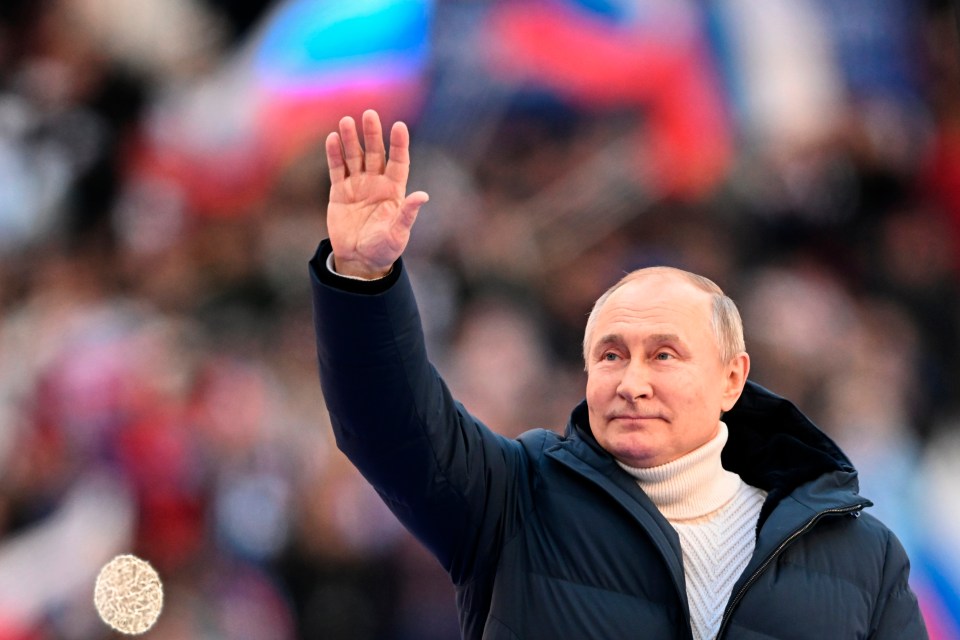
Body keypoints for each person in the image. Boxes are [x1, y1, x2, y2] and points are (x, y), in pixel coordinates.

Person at [309, 110, 928, 639]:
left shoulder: (862, 558)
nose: (632, 381)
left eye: (664, 354)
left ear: (731, 380)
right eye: (610, 355)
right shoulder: (515, 500)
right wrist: (361, 279)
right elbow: (389, 425)